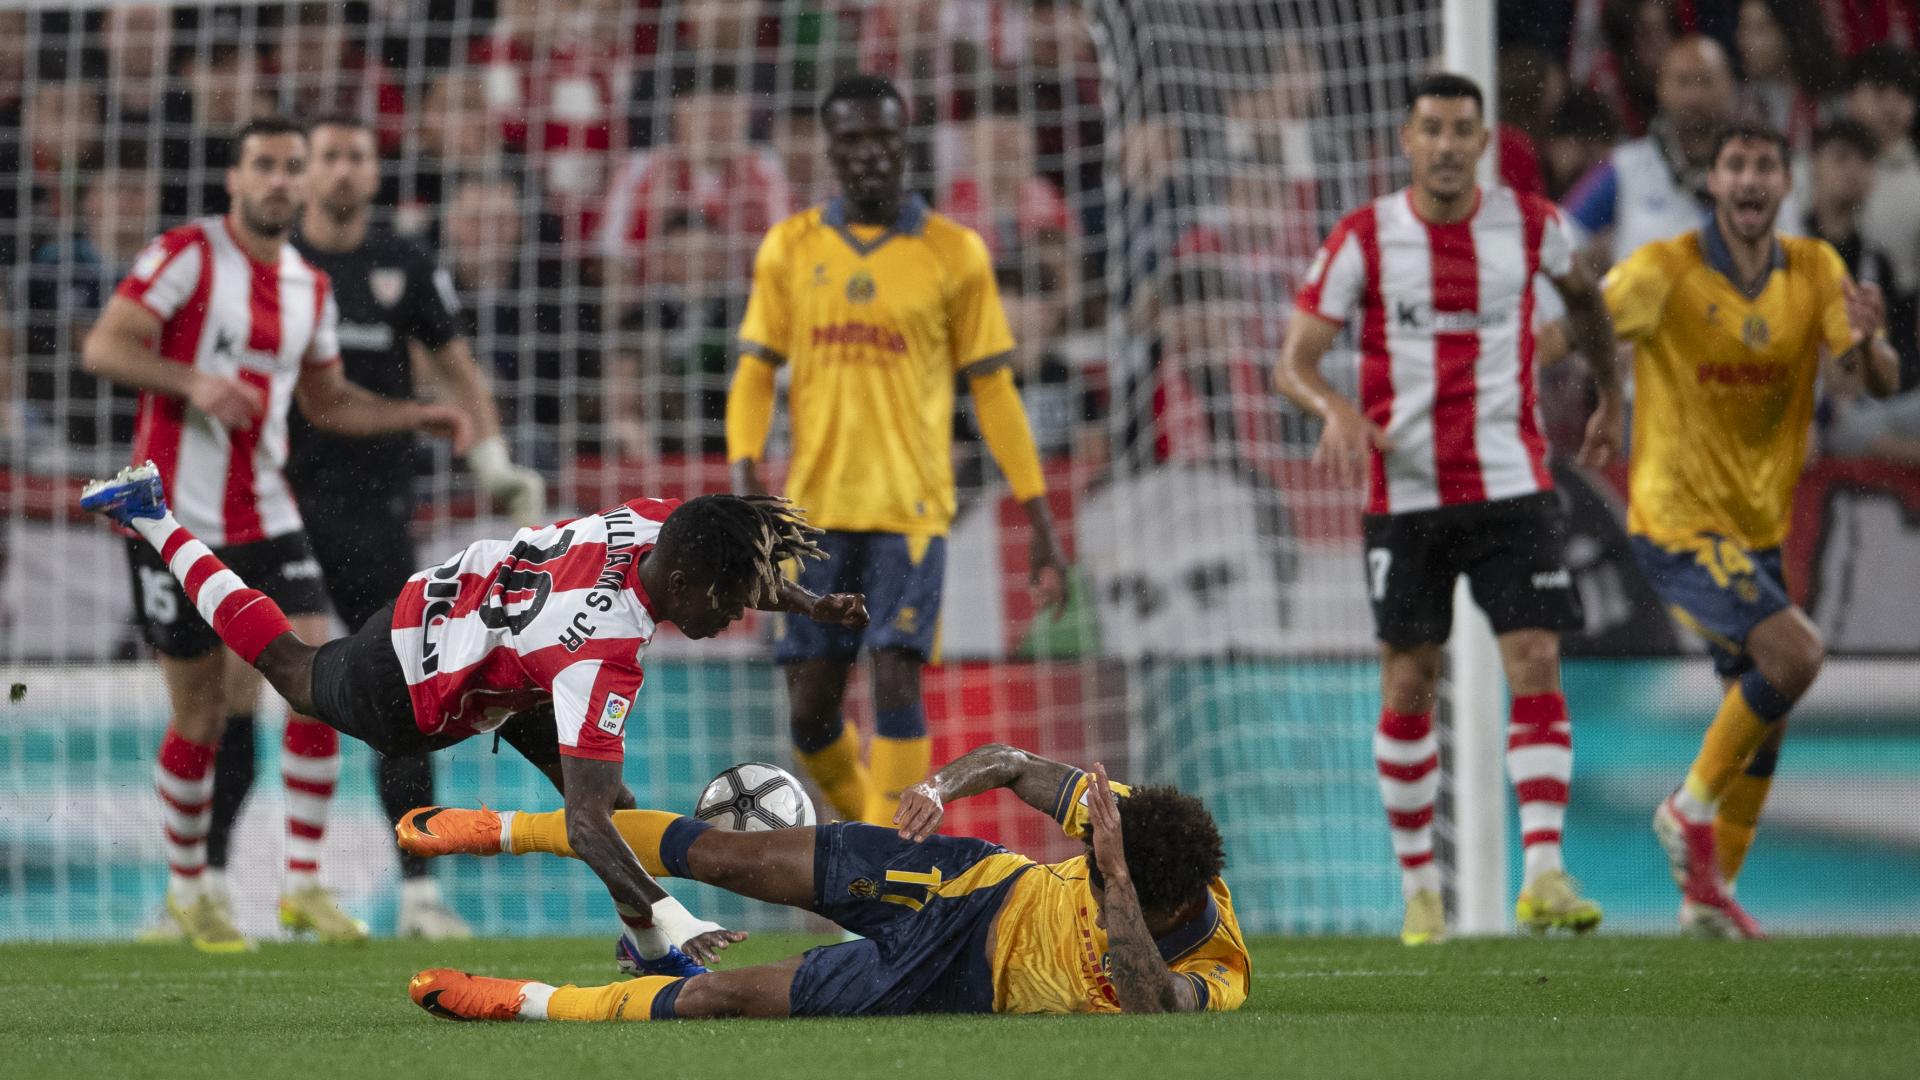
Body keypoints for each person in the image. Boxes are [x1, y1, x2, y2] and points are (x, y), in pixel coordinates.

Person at [82, 463, 869, 974]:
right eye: (730, 601)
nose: (736, 614)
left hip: (495, 633)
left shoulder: (662, 525)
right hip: (415, 678)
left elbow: (730, 560)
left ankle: (646, 950)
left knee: (613, 804)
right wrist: (677, 908)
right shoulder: (602, 655)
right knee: (293, 671)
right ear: (688, 577)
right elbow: (583, 827)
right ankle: (153, 516)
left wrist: (804, 599)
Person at [78, 117, 473, 952]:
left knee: (314, 673)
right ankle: (190, 892)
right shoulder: (187, 253)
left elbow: (328, 401)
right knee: (202, 713)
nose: (282, 181)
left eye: (293, 167)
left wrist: (418, 415)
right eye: (266, 166)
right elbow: (105, 347)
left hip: (267, 509)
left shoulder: (308, 286)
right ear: (234, 178)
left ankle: (302, 886)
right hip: (171, 515)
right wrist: (195, 382)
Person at [1273, 73, 1617, 946]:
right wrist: (1337, 411)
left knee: (1536, 657)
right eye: (1433, 129)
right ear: (1407, 139)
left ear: (1483, 140)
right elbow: (1296, 362)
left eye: (1464, 129)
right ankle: (1421, 889)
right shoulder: (1364, 237)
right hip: (1408, 492)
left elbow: (1588, 302)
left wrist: (1612, 393)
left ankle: (1542, 871)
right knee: (1408, 682)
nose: (1449, 145)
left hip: (1511, 481)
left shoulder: (1534, 224)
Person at [725, 73, 1069, 832]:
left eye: (884, 139)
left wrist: (1038, 517)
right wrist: (745, 478)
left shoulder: (954, 254)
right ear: (831, 151)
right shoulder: (791, 247)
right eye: (852, 141)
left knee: (896, 681)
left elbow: (995, 393)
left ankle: (884, 864)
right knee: (810, 714)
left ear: (904, 144)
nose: (870, 156)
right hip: (810, 513)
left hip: (910, 510)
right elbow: (755, 372)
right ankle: (866, 833)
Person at [237, 114, 538, 940]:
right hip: (276, 504)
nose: (339, 170)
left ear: (374, 173)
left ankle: (418, 892)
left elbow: (458, 367)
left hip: (375, 510)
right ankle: (210, 882)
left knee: (403, 688)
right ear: (304, 173)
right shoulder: (273, 262)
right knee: (250, 691)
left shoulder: (403, 262)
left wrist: (493, 461)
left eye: (355, 156)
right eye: (326, 155)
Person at [1596, 123, 1899, 937]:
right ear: (1714, 185)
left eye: (1766, 165)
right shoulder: (1666, 268)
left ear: (1784, 184)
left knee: (1769, 702)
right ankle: (1687, 809)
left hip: (1758, 526)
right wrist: (1598, 392)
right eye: (1736, 165)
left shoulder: (1815, 270)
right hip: (1676, 521)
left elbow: (1875, 380)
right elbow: (1580, 325)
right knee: (1796, 654)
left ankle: (1709, 890)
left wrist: (1869, 343)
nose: (1751, 179)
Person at [397, 744, 1246, 1019]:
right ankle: (505, 828)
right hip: (969, 879)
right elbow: (1015, 766)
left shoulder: (1216, 968)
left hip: (949, 978)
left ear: (1157, 899)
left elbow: (1151, 1003)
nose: (1087, 872)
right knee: (727, 857)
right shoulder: (1123, 819)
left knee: (717, 999)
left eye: (1101, 881)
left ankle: (521, 1001)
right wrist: (940, 787)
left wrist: (1117, 886)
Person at [1562, 35, 1738, 269]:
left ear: (1730, 86)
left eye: (1705, 81)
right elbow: (1560, 237)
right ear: (1660, 88)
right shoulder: (1625, 169)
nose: (1694, 96)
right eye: (1683, 82)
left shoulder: (1760, 172)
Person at [1841, 46, 1920, 331]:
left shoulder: (1916, 180)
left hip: (1900, 325)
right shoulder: (1811, 168)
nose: (1891, 105)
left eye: (1903, 92)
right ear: (1850, 96)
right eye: (1878, 89)